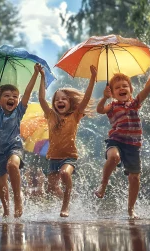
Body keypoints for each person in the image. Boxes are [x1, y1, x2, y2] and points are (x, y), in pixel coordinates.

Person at [94, 62, 150, 219]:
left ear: (131, 90)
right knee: (114, 157)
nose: (121, 89)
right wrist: (104, 98)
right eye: (117, 87)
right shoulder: (111, 106)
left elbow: (147, 89)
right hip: (116, 141)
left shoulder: (134, 104)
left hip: (133, 145)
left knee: (134, 178)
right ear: (111, 93)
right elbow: (99, 110)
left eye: (125, 86)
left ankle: (131, 209)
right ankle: (103, 185)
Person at [37, 64, 97, 217]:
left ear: (70, 103)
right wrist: (42, 78)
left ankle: (65, 206)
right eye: (57, 99)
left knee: (65, 174)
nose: (60, 101)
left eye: (64, 99)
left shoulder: (75, 116)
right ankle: (71, 198)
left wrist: (92, 78)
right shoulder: (50, 116)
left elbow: (87, 98)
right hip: (53, 158)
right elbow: (41, 98)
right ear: (54, 104)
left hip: (69, 156)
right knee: (51, 189)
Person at [0, 64, 40, 218]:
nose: (11, 98)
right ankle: (6, 209)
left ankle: (18, 198)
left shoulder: (19, 111)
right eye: (6, 96)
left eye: (14, 96)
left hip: (14, 147)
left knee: (12, 165)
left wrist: (36, 74)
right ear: (0, 100)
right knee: (1, 184)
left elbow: (27, 92)